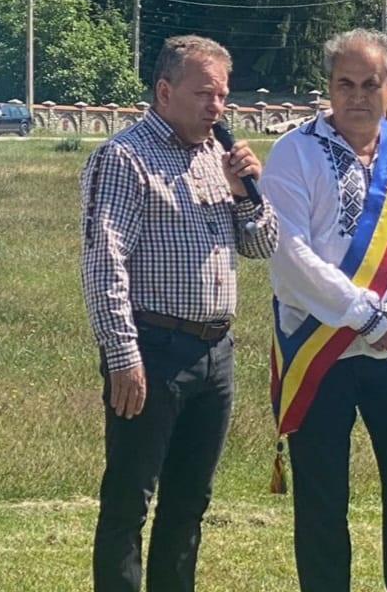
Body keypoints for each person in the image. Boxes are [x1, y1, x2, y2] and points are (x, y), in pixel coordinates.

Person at [260, 29, 387, 592]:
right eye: (345, 84)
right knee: (322, 502)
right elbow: (290, 253)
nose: (357, 96)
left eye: (370, 84)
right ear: (328, 88)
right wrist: (364, 314)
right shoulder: (293, 152)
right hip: (317, 350)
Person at [80, 35, 278, 592]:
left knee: (190, 501)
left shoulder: (220, 157)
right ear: (164, 92)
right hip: (152, 348)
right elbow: (104, 262)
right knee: (129, 499)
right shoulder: (124, 158)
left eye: (223, 96)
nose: (217, 107)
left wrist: (246, 192)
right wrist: (122, 356)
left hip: (216, 352)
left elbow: (262, 245)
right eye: (203, 94)